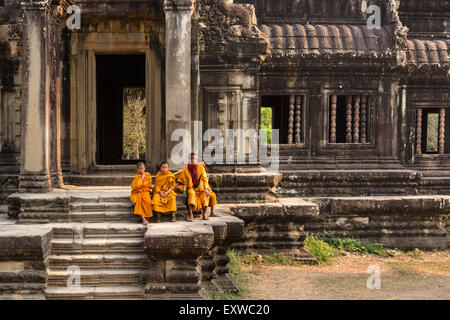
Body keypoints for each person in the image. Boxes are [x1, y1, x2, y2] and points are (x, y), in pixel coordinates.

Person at [176, 153, 219, 222]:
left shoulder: (200, 168)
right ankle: (191, 215)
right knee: (191, 195)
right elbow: (181, 180)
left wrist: (206, 188)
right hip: (191, 188)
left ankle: (204, 214)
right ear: (190, 160)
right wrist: (177, 185)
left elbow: (204, 179)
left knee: (205, 196)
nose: (196, 161)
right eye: (195, 159)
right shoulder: (185, 170)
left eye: (197, 159)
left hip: (200, 187)